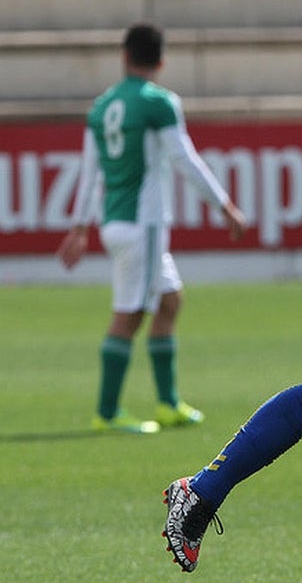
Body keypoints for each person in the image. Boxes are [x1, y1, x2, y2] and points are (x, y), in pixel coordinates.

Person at [57, 22, 246, 435]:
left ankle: (168, 404)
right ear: (161, 61)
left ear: (124, 57)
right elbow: (186, 159)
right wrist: (225, 206)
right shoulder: (159, 103)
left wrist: (78, 227)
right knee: (129, 315)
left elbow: (89, 173)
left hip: (115, 222)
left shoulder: (102, 106)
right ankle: (107, 413)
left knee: (170, 301)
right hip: (143, 225)